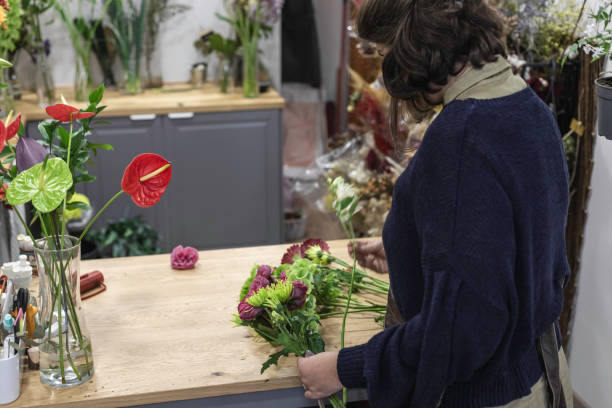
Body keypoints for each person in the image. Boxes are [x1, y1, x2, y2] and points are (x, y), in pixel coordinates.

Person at [297, 0, 574, 406]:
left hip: (486, 396)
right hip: (538, 376)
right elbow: (510, 261)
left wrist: (346, 366)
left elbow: (464, 329)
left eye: (385, 56)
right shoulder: (525, 106)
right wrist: (413, 254)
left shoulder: (461, 138)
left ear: (412, 46)